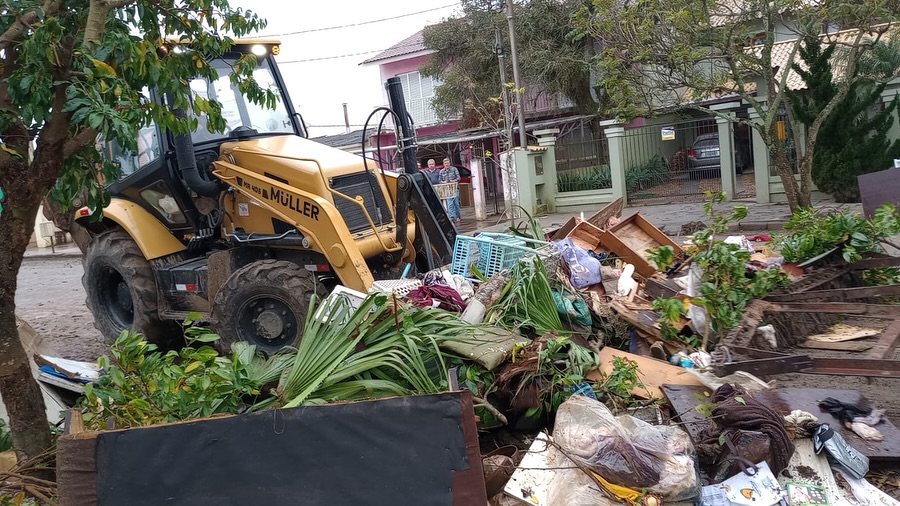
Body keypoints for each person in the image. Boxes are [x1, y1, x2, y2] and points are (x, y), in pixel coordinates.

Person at [439, 157, 461, 223]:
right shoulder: (441, 171)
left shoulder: (454, 169)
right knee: (450, 204)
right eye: (445, 163)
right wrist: (444, 182)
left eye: (448, 163)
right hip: (447, 189)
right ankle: (452, 218)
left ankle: (458, 216)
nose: (447, 164)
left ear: (449, 163)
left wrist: (452, 181)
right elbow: (440, 180)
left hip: (454, 188)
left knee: (456, 203)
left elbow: (458, 178)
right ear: (443, 164)